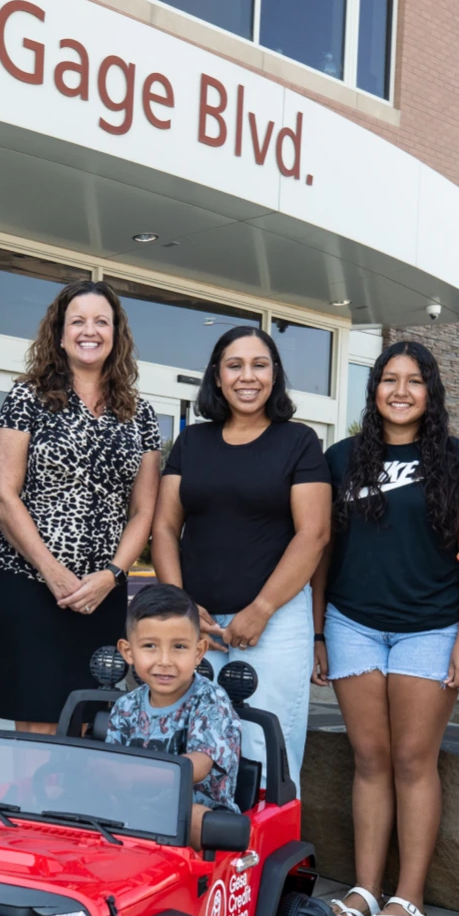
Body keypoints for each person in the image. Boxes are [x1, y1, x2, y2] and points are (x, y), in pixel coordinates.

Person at [309, 341, 459, 916]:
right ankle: (364, 887)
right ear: (375, 388)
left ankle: (408, 896)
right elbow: (321, 553)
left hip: (430, 628)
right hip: (352, 624)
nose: (401, 390)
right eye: (390, 379)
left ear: (430, 392)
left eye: (414, 381)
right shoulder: (341, 460)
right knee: (369, 759)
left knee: (413, 760)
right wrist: (317, 632)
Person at [151, 325, 329, 780]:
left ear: (274, 375)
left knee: (265, 754)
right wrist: (182, 606)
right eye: (235, 365)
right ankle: (201, 850)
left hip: (275, 623)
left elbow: (314, 534)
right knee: (189, 746)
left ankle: (263, 852)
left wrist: (262, 609)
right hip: (198, 624)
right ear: (216, 375)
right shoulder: (192, 442)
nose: (246, 377)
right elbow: (165, 527)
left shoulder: (299, 442)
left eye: (259, 365)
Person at [0, 280, 160, 733]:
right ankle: (28, 807)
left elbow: (144, 510)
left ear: (116, 334)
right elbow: (3, 496)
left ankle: (75, 808)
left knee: (92, 720)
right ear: (59, 334)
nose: (90, 330)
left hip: (102, 592)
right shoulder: (27, 398)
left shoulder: (140, 415)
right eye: (77, 321)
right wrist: (53, 570)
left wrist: (113, 575)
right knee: (40, 721)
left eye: (101, 321)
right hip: (31, 584)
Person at [106, 582, 242, 836]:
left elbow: (199, 765)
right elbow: (113, 762)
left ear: (199, 651)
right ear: (128, 651)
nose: (165, 661)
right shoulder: (125, 706)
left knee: (196, 820)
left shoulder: (210, 699)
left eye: (179, 647)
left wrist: (131, 773)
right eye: (150, 646)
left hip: (197, 814)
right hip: (134, 808)